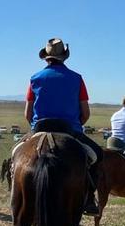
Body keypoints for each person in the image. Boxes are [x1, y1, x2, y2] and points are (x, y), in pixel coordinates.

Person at [24, 38, 102, 216]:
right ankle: (89, 198)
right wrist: (76, 126)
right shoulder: (76, 78)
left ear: (46, 58)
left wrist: (36, 127)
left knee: (15, 155)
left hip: (39, 128)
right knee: (97, 154)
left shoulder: (34, 79)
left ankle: (16, 196)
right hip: (69, 130)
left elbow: (27, 114)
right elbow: (86, 113)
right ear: (64, 57)